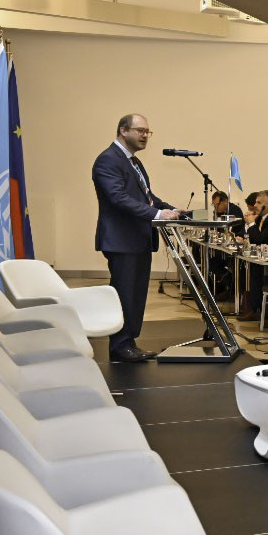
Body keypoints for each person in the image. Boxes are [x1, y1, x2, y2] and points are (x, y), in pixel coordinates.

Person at [91, 114, 183, 362]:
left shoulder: (134, 162)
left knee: (136, 294)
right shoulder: (108, 160)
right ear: (123, 130)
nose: (145, 136)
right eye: (140, 130)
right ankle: (120, 345)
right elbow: (118, 198)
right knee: (125, 293)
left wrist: (171, 210)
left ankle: (129, 342)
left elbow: (147, 197)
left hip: (138, 238)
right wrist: (157, 214)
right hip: (122, 239)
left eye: (147, 132)